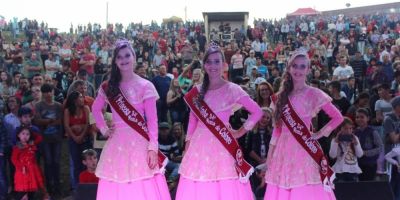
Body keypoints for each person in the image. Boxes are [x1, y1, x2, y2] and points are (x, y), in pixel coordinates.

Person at [176, 41, 263, 200]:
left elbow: (257, 111)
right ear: (204, 65)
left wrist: (239, 132)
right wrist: (187, 145)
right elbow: (193, 121)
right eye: (209, 62)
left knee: (225, 184)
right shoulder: (196, 90)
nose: (213, 65)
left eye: (217, 61)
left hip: (223, 143)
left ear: (224, 64)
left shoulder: (233, 89)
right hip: (199, 145)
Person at [92, 38, 170, 200]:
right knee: (118, 181)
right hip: (117, 142)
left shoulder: (146, 85)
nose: (124, 60)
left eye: (127, 55)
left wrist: (152, 147)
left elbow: (152, 121)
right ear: (115, 61)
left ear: (134, 57)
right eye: (119, 57)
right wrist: (104, 129)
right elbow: (95, 109)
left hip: (141, 141)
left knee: (142, 182)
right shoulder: (108, 86)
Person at [265, 49, 343, 200]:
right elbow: (277, 131)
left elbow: (338, 117)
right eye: (295, 66)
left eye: (302, 66)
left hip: (305, 149)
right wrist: (269, 158)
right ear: (289, 68)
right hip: (283, 150)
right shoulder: (279, 98)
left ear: (308, 69)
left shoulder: (314, 93)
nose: (298, 70)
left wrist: (319, 134)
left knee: (305, 189)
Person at [11, 126, 49, 200]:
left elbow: (39, 137)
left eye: (27, 134)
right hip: (23, 172)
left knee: (32, 190)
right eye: (23, 134)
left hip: (32, 170)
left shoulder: (31, 144)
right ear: (18, 135)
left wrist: (30, 131)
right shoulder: (17, 147)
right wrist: (21, 167)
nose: (25, 136)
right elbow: (14, 159)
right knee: (22, 191)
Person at [64, 91, 92, 190]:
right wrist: (75, 137)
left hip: (85, 139)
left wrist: (81, 135)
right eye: (80, 97)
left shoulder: (86, 108)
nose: (82, 99)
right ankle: (77, 187)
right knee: (77, 164)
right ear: (75, 100)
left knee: (86, 163)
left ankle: (87, 186)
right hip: (73, 140)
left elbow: (89, 124)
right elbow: (66, 126)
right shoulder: (68, 111)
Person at [329, 117, 363, 182]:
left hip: (353, 171)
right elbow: (332, 156)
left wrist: (356, 144)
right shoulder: (335, 139)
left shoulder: (355, 138)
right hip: (340, 171)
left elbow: (360, 155)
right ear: (339, 129)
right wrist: (336, 142)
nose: (348, 131)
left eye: (350, 128)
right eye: (345, 128)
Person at [355, 108, 383, 181]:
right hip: (357, 164)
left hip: (370, 164)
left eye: (362, 117)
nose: (359, 119)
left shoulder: (373, 132)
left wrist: (365, 153)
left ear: (368, 118)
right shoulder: (354, 132)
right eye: (357, 117)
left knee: (367, 185)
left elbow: (380, 147)